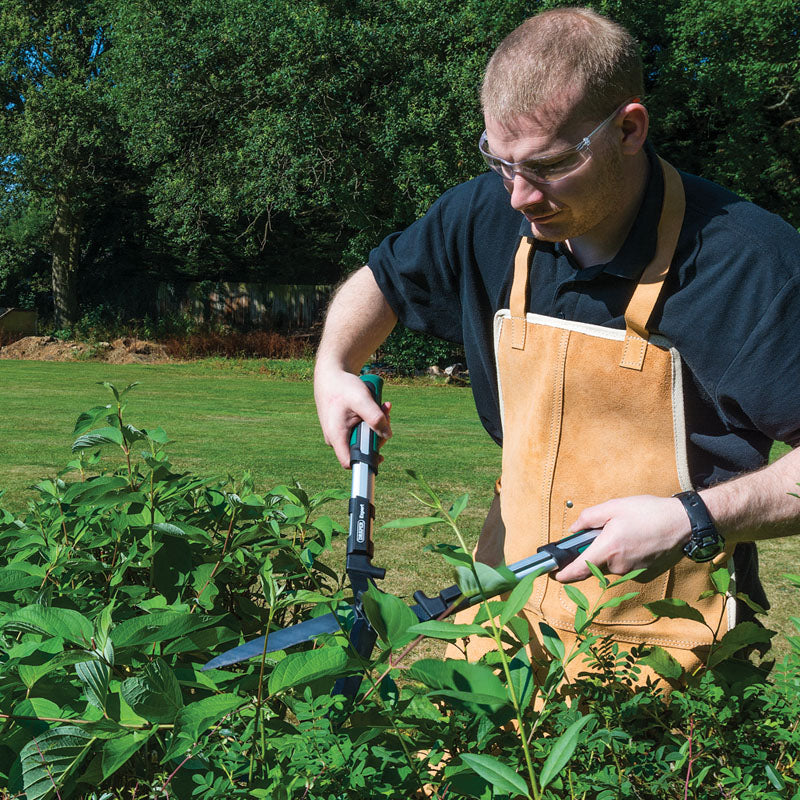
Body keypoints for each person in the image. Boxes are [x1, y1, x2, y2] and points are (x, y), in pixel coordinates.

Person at [314, 6, 800, 676]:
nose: (518, 195)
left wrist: (690, 517)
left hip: (665, 655)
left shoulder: (751, 265)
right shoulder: (486, 214)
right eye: (499, 161)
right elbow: (384, 279)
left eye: (547, 164)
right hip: (499, 625)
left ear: (629, 129)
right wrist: (334, 364)